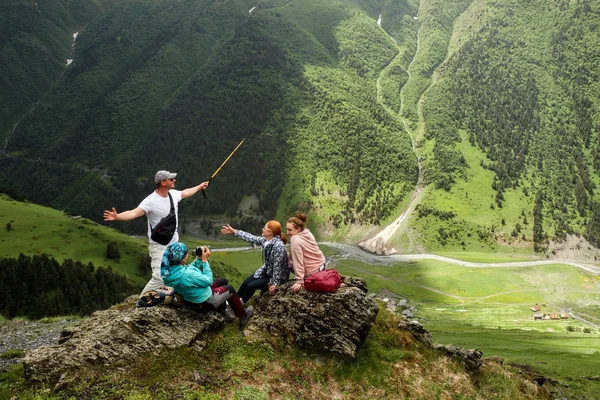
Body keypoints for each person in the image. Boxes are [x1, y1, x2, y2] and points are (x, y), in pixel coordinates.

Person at [103, 170, 209, 296]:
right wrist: (117, 217)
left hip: (174, 244)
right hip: (159, 247)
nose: (174, 180)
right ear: (163, 183)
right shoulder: (150, 201)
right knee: (159, 277)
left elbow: (185, 193)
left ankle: (167, 297)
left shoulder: (173, 194)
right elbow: (133, 213)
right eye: (171, 179)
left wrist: (199, 187)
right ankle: (141, 302)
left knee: (175, 272)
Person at [160, 242, 252, 324]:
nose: (187, 255)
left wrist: (199, 259)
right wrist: (204, 261)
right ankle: (243, 316)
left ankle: (222, 313)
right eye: (186, 253)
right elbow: (208, 281)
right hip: (204, 301)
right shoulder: (187, 275)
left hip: (191, 297)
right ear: (181, 258)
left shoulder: (172, 270)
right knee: (230, 289)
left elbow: (188, 269)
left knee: (223, 281)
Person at [221, 221, 289, 303]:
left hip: (275, 276)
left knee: (251, 286)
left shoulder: (278, 246)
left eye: (265, 228)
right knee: (246, 282)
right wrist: (235, 231)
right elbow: (251, 238)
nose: (262, 229)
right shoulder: (266, 240)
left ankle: (242, 301)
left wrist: (275, 284)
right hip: (267, 270)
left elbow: (277, 266)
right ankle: (235, 298)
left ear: (270, 232)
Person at [286, 212, 326, 293]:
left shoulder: (295, 239)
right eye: (286, 229)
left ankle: (280, 281)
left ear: (298, 229)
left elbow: (298, 261)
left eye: (290, 230)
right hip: (321, 265)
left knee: (283, 256)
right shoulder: (307, 232)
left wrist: (299, 281)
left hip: (312, 272)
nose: (287, 232)